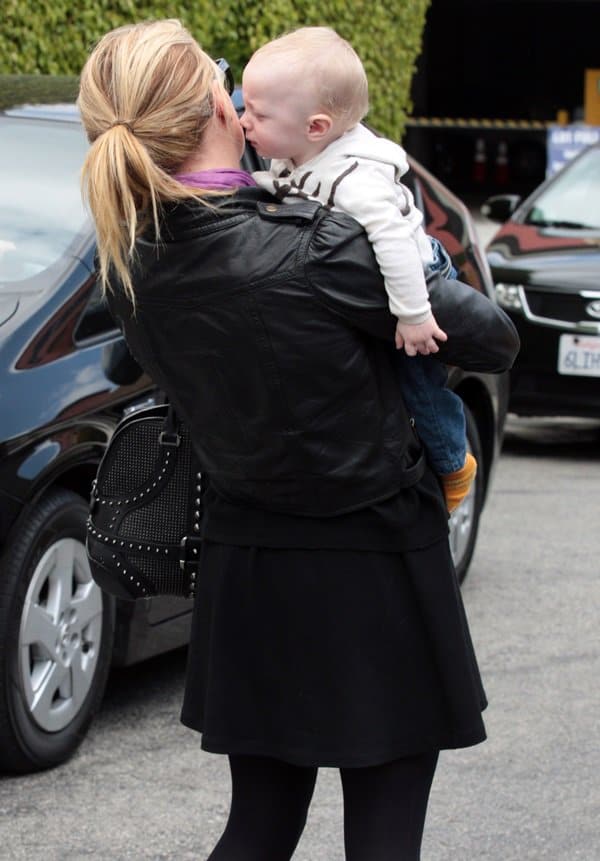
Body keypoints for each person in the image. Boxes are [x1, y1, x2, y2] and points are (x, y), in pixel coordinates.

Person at [78, 19, 518, 861]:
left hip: (245, 558)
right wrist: (410, 244)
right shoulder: (319, 244)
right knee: (384, 834)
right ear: (217, 101)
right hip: (374, 557)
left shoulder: (132, 259)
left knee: (260, 824)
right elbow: (491, 338)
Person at [242, 27, 475, 513]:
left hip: (416, 270)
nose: (245, 122)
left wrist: (413, 314)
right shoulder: (292, 154)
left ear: (316, 128)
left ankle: (454, 462)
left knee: (417, 379)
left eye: (258, 114)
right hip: (371, 275)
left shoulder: (357, 179)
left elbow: (392, 242)